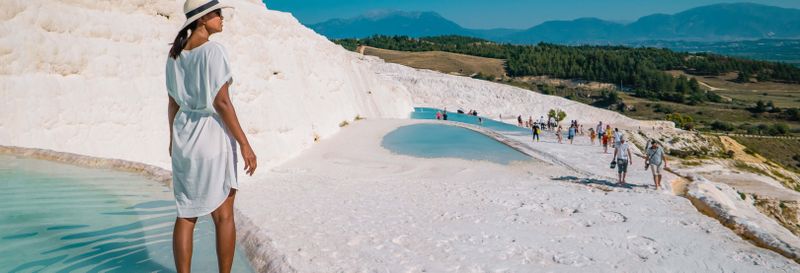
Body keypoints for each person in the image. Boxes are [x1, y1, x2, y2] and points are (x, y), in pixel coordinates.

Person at [166, 1, 257, 272]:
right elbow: (222, 102)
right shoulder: (213, 51)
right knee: (224, 214)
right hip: (211, 135)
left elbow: (173, 103)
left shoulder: (175, 55)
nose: (222, 17)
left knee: (186, 213)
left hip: (184, 136)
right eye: (217, 13)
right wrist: (245, 144)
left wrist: (172, 140)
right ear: (203, 19)